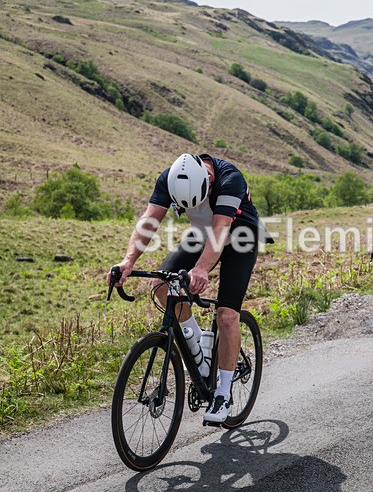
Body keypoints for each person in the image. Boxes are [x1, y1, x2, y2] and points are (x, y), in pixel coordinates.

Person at [108, 153, 271, 423]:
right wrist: (128, 261)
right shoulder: (169, 178)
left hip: (240, 235)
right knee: (161, 283)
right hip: (202, 233)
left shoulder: (231, 179)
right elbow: (149, 222)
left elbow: (221, 231)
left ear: (208, 179)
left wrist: (202, 269)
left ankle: (223, 391)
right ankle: (198, 346)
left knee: (227, 314)